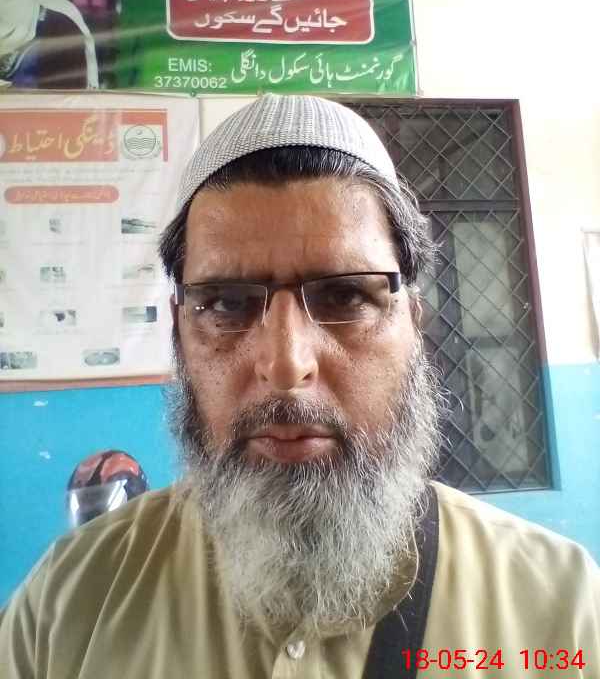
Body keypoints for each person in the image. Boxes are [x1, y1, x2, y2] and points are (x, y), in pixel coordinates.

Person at [1, 94, 598, 678]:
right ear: (179, 333)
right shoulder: (66, 609)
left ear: (413, 324)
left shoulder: (559, 611)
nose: (287, 365)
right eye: (227, 304)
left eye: (346, 296)